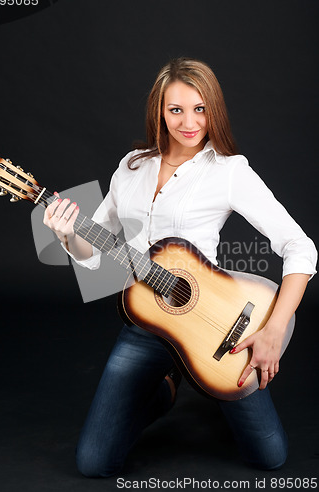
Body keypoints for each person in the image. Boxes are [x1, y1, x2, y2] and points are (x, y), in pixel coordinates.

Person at [43, 58, 317, 476]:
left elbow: (300, 246)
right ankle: (166, 390)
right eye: (176, 110)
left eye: (200, 109)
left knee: (270, 458)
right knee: (93, 464)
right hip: (146, 325)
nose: (189, 122)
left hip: (219, 326)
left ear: (214, 110)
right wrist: (66, 234)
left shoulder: (228, 172)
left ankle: (198, 382)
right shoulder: (132, 165)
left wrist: (273, 330)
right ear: (159, 111)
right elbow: (94, 252)